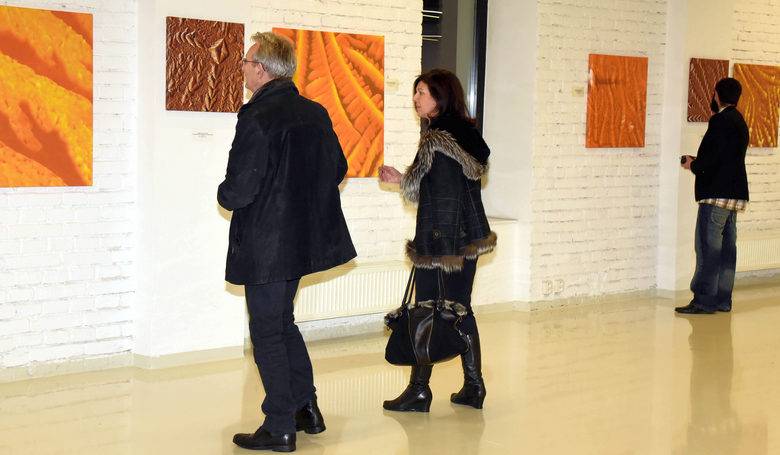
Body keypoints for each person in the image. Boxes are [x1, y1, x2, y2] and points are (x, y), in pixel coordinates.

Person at [218, 32, 356, 452]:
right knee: (282, 324)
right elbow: (338, 168)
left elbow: (240, 189)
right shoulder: (314, 112)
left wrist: (224, 193)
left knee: (267, 332)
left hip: (266, 245)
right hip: (299, 241)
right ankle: (305, 408)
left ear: (261, 69)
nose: (243, 69)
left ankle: (279, 425)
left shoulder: (257, 115)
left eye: (246, 62)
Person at [378, 69, 496, 412]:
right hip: (466, 237)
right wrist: (404, 179)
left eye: (422, 92)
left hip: (443, 242)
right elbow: (442, 186)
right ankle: (473, 386)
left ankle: (420, 390)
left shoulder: (436, 139)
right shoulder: (465, 134)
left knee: (428, 309)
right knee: (460, 309)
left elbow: (441, 198)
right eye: (415, 92)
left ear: (440, 97)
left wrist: (434, 252)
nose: (416, 98)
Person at [677, 77, 749, 315]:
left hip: (716, 196)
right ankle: (722, 300)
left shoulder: (719, 121)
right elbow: (726, 158)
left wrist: (693, 164)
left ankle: (703, 301)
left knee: (708, 249)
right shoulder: (739, 120)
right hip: (734, 195)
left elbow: (712, 159)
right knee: (727, 250)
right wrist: (701, 162)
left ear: (716, 94)